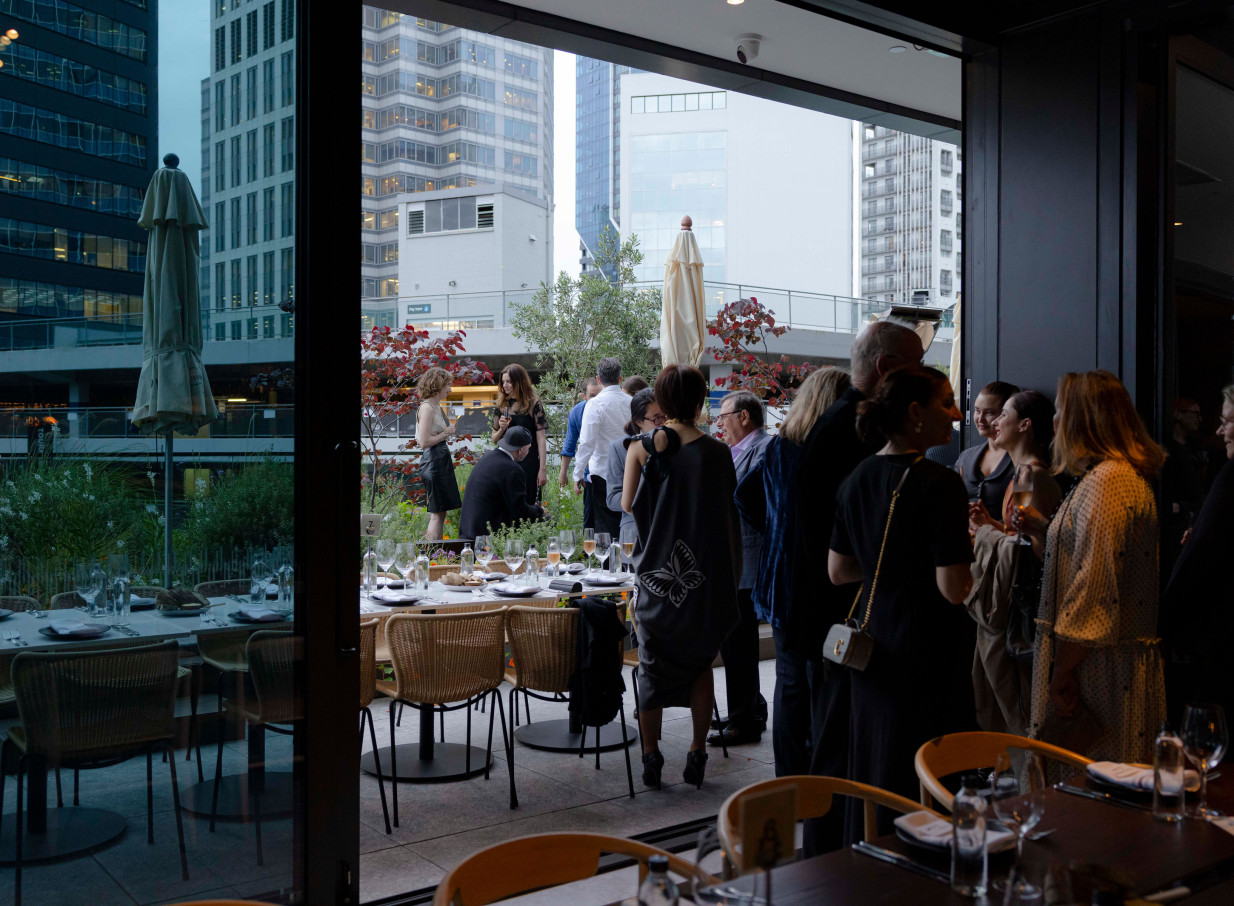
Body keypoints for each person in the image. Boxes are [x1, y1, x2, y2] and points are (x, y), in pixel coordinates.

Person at [792, 320, 924, 853]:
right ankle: (834, 856)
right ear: (887, 368)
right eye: (917, 366)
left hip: (838, 613)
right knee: (839, 744)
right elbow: (832, 547)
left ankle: (838, 851)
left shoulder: (841, 423)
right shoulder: (853, 432)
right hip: (844, 617)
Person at [828, 365, 974, 839]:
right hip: (926, 646)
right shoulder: (940, 483)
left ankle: (873, 851)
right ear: (915, 412)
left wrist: (886, 569)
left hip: (872, 643)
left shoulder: (855, 478)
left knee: (875, 759)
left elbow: (838, 571)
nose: (956, 414)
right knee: (925, 764)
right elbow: (953, 588)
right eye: (946, 403)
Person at [1020, 371, 1167, 764]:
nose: (1054, 421)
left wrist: (1062, 671)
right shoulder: (1112, 478)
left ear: (1080, 419)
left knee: (1093, 785)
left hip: (1098, 671)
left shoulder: (1109, 482)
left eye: (1060, 411)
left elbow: (1094, 586)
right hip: (1100, 662)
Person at [622, 365, 740, 791]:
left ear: (663, 400)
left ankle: (651, 755)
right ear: (698, 400)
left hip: (657, 574)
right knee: (700, 665)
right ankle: (696, 750)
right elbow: (726, 517)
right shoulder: (718, 452)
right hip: (701, 578)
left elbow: (627, 504)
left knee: (651, 666)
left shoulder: (640, 447)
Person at [735, 367, 850, 770]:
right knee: (823, 679)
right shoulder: (836, 451)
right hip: (820, 578)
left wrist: (775, 529)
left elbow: (744, 495)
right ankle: (822, 775)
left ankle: (789, 778)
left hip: (778, 578)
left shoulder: (781, 447)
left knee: (790, 681)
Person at [966, 390, 1061, 735]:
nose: (994, 421)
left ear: (1025, 425)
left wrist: (983, 532)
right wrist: (989, 524)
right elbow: (1017, 532)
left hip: (1022, 611)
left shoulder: (1029, 476)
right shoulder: (1023, 473)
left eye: (1003, 414)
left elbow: (1030, 548)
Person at [1162, 385, 1234, 722]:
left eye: (1226, 421)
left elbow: (1199, 557)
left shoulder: (1231, 476)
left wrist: (1165, 626)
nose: (1219, 430)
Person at [709, 389, 772, 747]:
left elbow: (753, 504)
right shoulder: (736, 450)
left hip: (749, 558)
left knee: (739, 643)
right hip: (735, 559)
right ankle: (747, 711)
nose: (719, 424)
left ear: (744, 417)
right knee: (737, 642)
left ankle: (744, 721)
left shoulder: (764, 449)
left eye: (724, 416)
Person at [458, 426, 548, 542]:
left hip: (468, 531)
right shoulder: (512, 469)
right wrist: (539, 510)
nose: (529, 451)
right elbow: (519, 512)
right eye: (528, 448)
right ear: (520, 450)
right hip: (486, 538)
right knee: (546, 522)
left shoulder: (487, 458)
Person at [574, 357, 630, 539]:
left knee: (605, 529)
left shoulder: (594, 404)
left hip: (602, 474)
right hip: (631, 471)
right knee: (629, 522)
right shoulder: (632, 402)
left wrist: (578, 474)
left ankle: (609, 558)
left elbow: (587, 443)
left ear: (598, 379)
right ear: (620, 379)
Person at [604, 387, 664, 550]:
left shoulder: (676, 443)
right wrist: (646, 498)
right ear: (639, 422)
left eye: (665, 416)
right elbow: (612, 498)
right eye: (656, 419)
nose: (663, 423)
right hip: (635, 529)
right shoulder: (620, 447)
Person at [1161, 396, 1211, 576]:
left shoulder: (1197, 450)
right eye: (1195, 413)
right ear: (1178, 414)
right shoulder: (1166, 451)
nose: (1200, 419)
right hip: (1174, 529)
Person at [955, 381, 1020, 511]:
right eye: (977, 411)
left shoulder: (1020, 459)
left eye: (989, 412)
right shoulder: (966, 456)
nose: (980, 419)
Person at [414, 367, 462, 541]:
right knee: (437, 513)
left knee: (441, 512)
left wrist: (445, 433)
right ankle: (432, 552)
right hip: (433, 461)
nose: (450, 389)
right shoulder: (427, 408)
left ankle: (435, 551)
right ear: (438, 384)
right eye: (448, 384)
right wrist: (446, 432)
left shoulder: (435, 406)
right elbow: (424, 441)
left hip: (439, 460)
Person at [491, 364, 548, 506]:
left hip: (529, 462)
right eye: (503, 382)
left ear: (519, 382)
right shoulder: (502, 405)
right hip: (507, 461)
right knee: (507, 503)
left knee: (529, 502)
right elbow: (494, 439)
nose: (505, 385)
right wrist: (501, 429)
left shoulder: (533, 404)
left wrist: (542, 469)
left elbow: (541, 439)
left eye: (509, 381)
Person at [559, 377, 600, 528]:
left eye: (599, 395)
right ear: (584, 396)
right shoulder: (578, 412)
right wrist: (563, 472)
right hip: (590, 473)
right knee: (589, 518)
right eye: (592, 396)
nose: (596, 399)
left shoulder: (607, 407)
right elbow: (570, 444)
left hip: (611, 470)